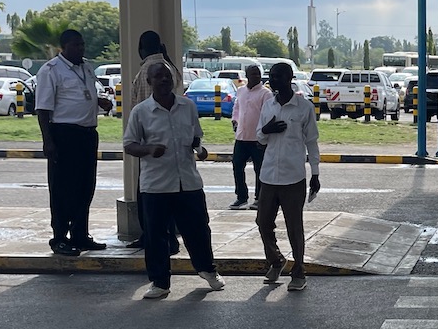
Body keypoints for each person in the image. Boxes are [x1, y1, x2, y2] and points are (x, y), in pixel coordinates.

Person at [122, 62, 225, 299]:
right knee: (156, 234)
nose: (164, 80)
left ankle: (208, 270)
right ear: (149, 82)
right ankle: (160, 282)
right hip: (156, 184)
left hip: (188, 181)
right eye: (158, 77)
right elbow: (129, 145)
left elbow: (195, 137)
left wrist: (199, 149)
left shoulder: (187, 106)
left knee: (198, 229)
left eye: (167, 76)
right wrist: (148, 149)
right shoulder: (141, 112)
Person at [36, 29, 112, 256]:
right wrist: (47, 141)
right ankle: (59, 237)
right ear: (64, 48)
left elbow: (82, 95)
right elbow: (43, 109)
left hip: (87, 134)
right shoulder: (51, 70)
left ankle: (80, 234)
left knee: (85, 186)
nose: (81, 49)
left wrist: (100, 101)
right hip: (64, 134)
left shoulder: (86, 67)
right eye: (76, 46)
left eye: (82, 45)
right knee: (62, 189)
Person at [255, 62, 321, 292]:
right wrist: (267, 130)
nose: (273, 80)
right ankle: (276, 260)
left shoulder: (303, 107)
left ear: (289, 78)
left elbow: (312, 142)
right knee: (263, 223)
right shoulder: (268, 105)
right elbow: (259, 137)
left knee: (294, 226)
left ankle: (299, 271)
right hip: (269, 175)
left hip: (293, 177)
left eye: (278, 76)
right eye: (271, 76)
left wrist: (315, 174)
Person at [123, 32, 182, 252]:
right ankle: (167, 237)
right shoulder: (168, 69)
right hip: (169, 142)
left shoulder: (146, 73)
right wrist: (167, 55)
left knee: (149, 197)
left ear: (141, 48)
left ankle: (153, 236)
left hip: (148, 145)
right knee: (169, 195)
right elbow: (178, 84)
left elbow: (136, 108)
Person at [229, 64, 271, 209]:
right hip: (241, 137)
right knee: (237, 166)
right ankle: (241, 197)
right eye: (253, 74)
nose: (256, 77)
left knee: (259, 169)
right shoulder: (241, 91)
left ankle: (260, 198)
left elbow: (268, 114)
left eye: (258, 74)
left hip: (257, 139)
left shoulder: (265, 94)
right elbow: (237, 108)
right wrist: (234, 121)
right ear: (247, 76)